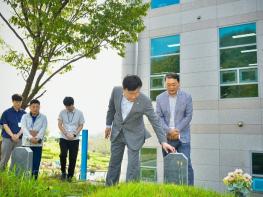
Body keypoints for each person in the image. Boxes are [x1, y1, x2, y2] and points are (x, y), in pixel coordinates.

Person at [105, 75, 175, 186]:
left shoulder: (145, 101)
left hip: (135, 135)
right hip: (118, 132)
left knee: (133, 165)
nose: (135, 96)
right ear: (124, 90)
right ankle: (109, 189)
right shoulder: (116, 91)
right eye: (131, 94)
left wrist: (163, 141)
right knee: (114, 163)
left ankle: (130, 190)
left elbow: (155, 120)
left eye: (137, 93)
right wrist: (108, 125)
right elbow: (111, 108)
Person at [156, 73, 194, 185]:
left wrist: (177, 130)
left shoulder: (187, 97)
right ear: (165, 84)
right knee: (169, 166)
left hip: (183, 137)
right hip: (167, 138)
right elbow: (158, 117)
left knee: (187, 164)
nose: (171, 87)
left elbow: (189, 116)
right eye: (168, 85)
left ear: (179, 84)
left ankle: (189, 190)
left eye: (174, 84)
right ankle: (170, 190)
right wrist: (169, 130)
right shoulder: (159, 98)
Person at [58, 97, 85, 181]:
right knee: (63, 155)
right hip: (64, 137)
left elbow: (81, 125)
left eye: (68, 106)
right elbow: (59, 124)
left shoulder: (79, 113)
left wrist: (74, 134)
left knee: (73, 157)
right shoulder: (62, 112)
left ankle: (70, 176)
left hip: (74, 138)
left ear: (72, 104)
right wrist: (66, 133)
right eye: (66, 106)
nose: (67, 108)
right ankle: (63, 172)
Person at [21, 99, 47, 179]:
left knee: (36, 163)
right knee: (26, 163)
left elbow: (43, 129)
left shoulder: (43, 117)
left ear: (39, 107)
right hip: (27, 143)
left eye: (37, 107)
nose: (35, 108)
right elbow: (23, 128)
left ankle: (34, 180)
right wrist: (30, 138)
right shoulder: (25, 116)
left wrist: (37, 138)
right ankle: (24, 180)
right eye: (33, 107)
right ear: (30, 107)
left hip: (38, 144)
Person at [0, 94, 26, 170]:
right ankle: (2, 175)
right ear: (12, 101)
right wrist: (12, 135)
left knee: (17, 159)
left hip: (19, 140)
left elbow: (24, 126)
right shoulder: (6, 112)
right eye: (16, 101)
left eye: (20, 102)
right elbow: (5, 125)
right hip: (7, 139)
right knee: (4, 158)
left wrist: (17, 135)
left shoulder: (24, 114)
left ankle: (13, 175)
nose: (18, 103)